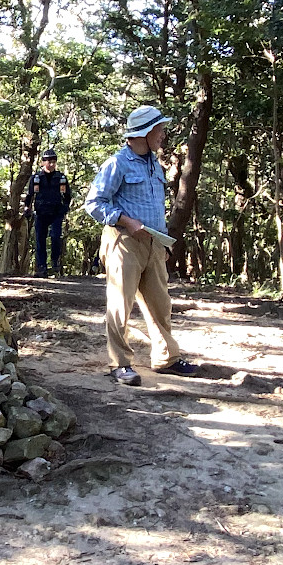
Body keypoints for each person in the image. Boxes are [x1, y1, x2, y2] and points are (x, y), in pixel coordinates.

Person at [83, 105, 197, 386]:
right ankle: (120, 364)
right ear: (144, 133)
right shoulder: (117, 163)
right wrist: (124, 220)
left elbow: (157, 206)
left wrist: (164, 242)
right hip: (124, 241)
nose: (163, 134)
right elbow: (93, 203)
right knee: (120, 305)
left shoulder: (154, 165)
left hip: (154, 244)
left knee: (161, 304)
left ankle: (166, 358)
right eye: (159, 129)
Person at [24, 148, 71, 277]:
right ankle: (42, 267)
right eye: (48, 161)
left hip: (56, 212)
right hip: (40, 212)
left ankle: (55, 262)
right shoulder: (36, 178)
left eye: (53, 161)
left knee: (56, 237)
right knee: (40, 240)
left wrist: (65, 208)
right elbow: (29, 195)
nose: (51, 164)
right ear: (42, 162)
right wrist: (26, 208)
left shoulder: (61, 178)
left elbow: (67, 196)